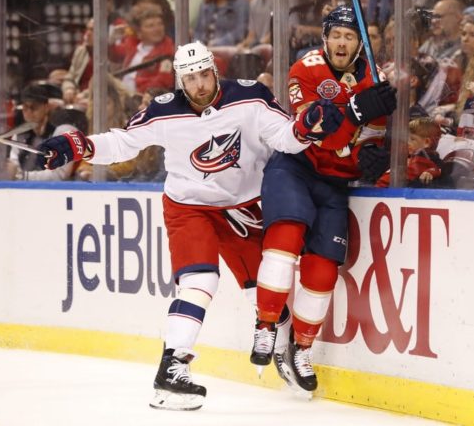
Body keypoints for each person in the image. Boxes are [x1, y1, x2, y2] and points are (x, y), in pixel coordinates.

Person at [34, 41, 343, 410]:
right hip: (190, 206)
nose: (199, 84)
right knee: (200, 281)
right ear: (180, 82)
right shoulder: (163, 112)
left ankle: (283, 350)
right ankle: (173, 366)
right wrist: (77, 144)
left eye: (203, 74)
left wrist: (306, 126)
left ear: (215, 69)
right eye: (190, 78)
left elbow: (284, 138)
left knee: (262, 292)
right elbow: (123, 143)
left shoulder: (251, 97)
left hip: (245, 206)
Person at [249, 5, 397, 394]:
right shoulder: (305, 69)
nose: (342, 42)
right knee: (283, 245)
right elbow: (320, 132)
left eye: (350, 36)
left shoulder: (373, 79)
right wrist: (356, 111)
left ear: (359, 43)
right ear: (325, 38)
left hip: (334, 183)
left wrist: (372, 155)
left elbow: (368, 138)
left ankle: (301, 348)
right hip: (295, 169)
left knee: (323, 270)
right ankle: (265, 327)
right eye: (336, 35)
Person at [5, 84, 78, 181]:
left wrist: (23, 176)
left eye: (34, 107)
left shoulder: (63, 133)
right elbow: (13, 168)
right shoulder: (19, 135)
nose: (29, 112)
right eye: (25, 108)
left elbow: (58, 175)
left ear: (46, 107)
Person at [120, 7, 175, 94]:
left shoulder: (168, 51)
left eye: (160, 24)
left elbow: (162, 86)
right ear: (139, 33)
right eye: (150, 26)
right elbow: (115, 55)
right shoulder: (134, 47)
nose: (157, 29)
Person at [376, 117, 443, 188]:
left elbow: (437, 169)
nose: (407, 142)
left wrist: (430, 172)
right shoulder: (411, 158)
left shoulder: (422, 161)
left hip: (384, 191)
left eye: (412, 139)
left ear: (426, 142)